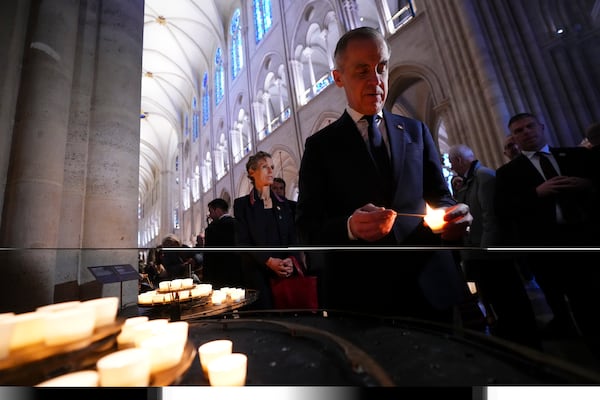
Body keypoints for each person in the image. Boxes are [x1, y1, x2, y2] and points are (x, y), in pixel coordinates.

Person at [296, 27, 472, 323]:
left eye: (381, 68)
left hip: (429, 284)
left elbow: (439, 195)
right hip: (363, 294)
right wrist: (350, 226)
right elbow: (307, 226)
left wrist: (453, 214)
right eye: (362, 70)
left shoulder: (415, 130)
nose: (375, 80)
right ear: (338, 78)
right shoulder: (320, 146)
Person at [495, 112, 600, 353]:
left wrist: (588, 185)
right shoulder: (507, 173)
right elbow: (503, 210)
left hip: (587, 238)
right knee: (566, 302)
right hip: (546, 247)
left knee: (593, 300)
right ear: (513, 137)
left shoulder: (578, 156)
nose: (526, 132)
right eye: (518, 131)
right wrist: (536, 194)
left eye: (530, 126)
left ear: (542, 127)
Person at [448, 144, 540, 348]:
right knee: (498, 302)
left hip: (493, 254)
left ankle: (526, 345)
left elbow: (491, 216)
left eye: (452, 161)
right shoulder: (470, 180)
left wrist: (484, 251)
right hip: (482, 253)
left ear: (459, 161)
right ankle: (510, 339)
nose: (451, 166)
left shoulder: (484, 176)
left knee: (511, 301)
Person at [233, 151, 303, 310]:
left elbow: (293, 237)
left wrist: (291, 260)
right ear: (252, 171)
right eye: (265, 167)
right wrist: (269, 261)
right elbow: (243, 243)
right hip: (258, 276)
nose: (271, 171)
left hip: (285, 273)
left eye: (272, 167)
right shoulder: (242, 205)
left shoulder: (284, 204)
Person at [203, 198, 243, 289]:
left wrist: (206, 279)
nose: (210, 215)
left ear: (217, 210)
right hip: (238, 272)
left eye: (210, 211)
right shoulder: (238, 223)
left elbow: (209, 256)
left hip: (219, 275)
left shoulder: (212, 229)